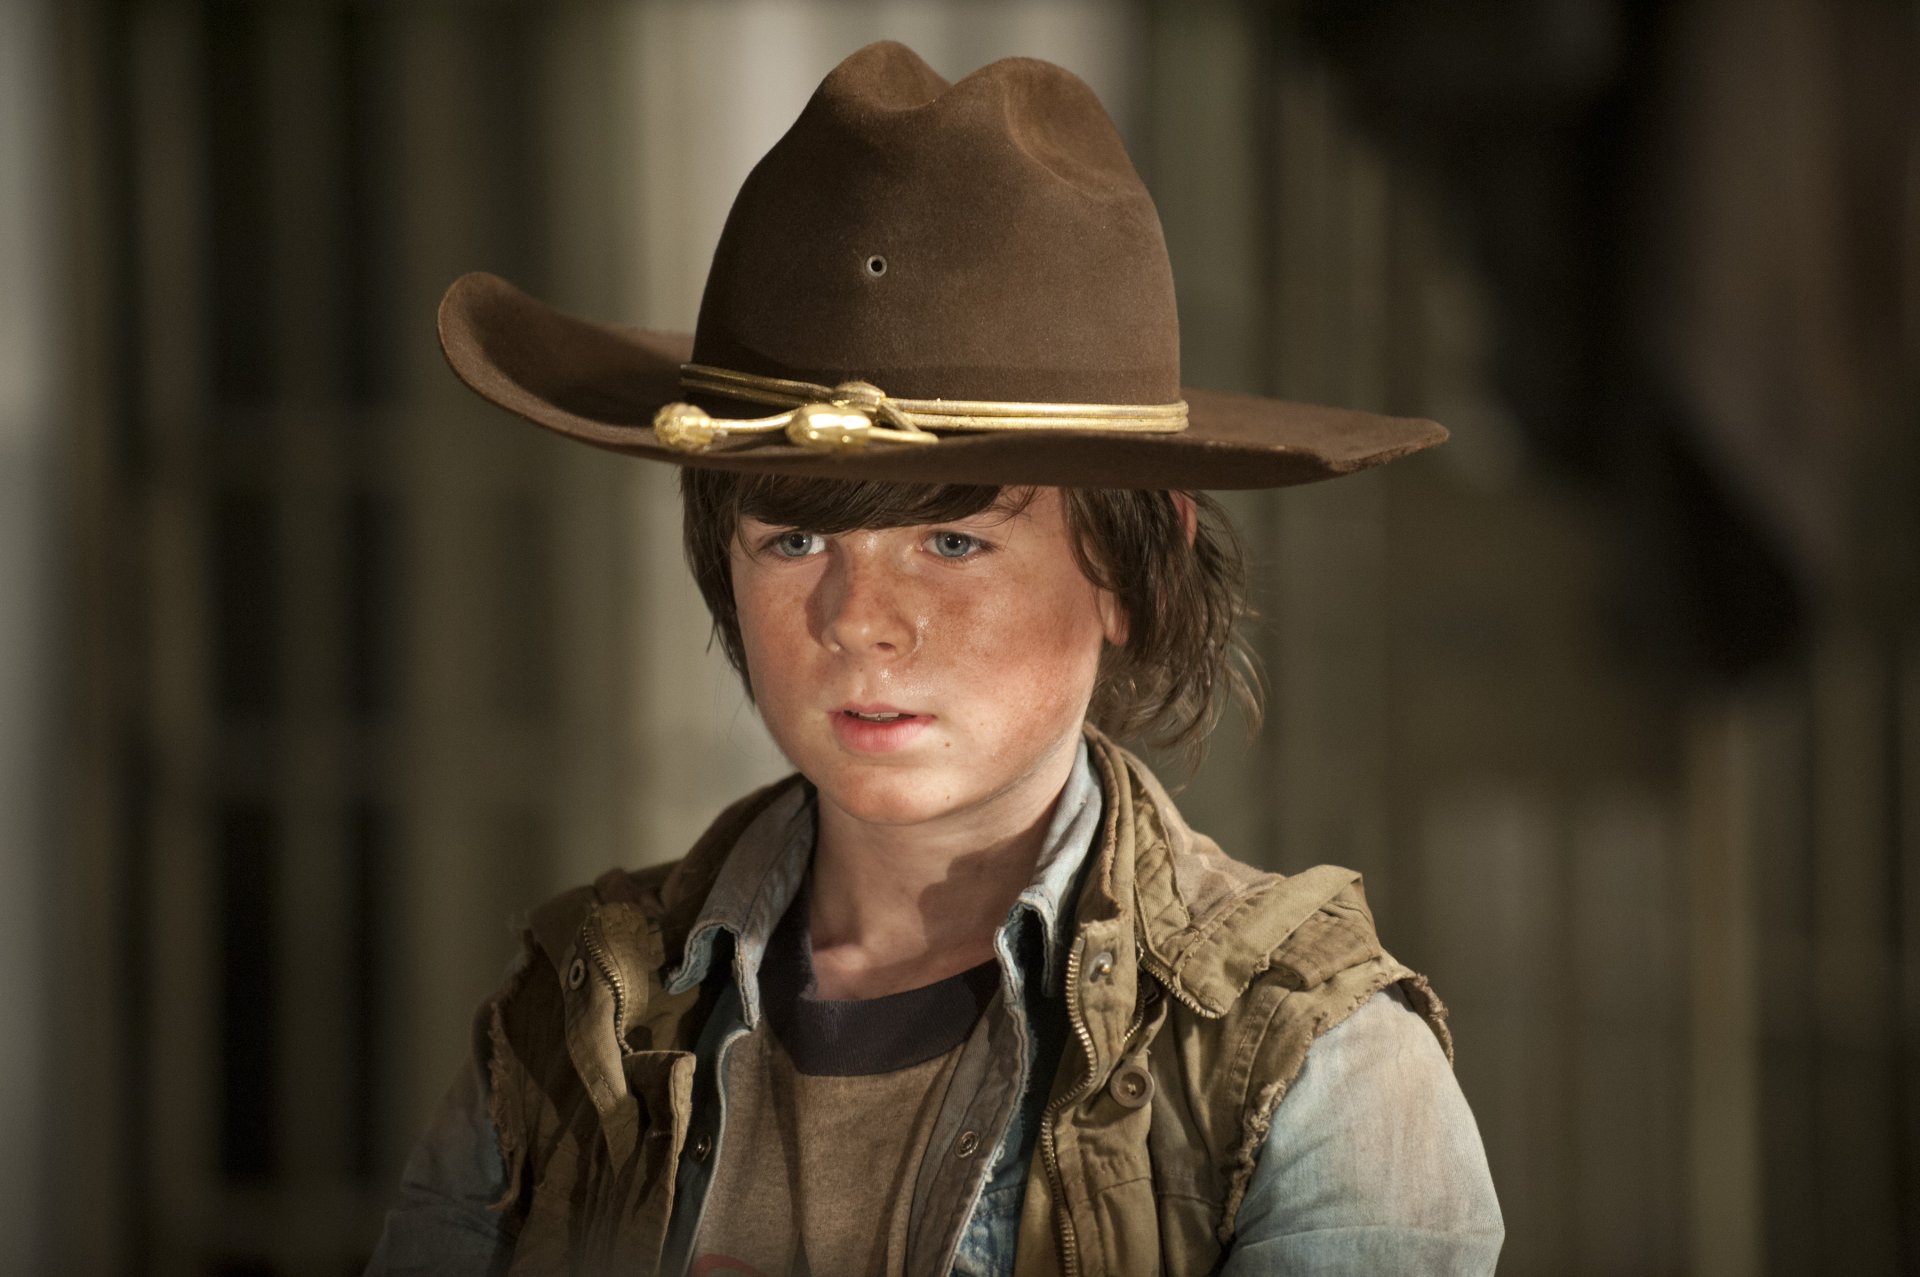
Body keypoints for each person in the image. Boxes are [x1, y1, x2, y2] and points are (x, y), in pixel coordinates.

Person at [369, 40, 1502, 1277]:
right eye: (795, 536)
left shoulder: (1311, 1066)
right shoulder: (579, 1015)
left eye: (954, 540)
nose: (861, 618)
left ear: (1130, 568)